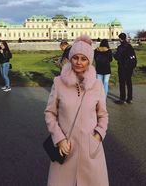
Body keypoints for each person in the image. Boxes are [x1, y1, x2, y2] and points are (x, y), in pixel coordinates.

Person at [45, 35, 109, 186]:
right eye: (75, 57)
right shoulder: (59, 82)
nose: (79, 62)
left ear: (89, 60)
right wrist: (59, 139)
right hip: (66, 148)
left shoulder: (97, 85)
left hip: (90, 149)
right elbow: (50, 113)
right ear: (70, 58)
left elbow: (103, 115)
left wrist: (99, 135)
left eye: (83, 58)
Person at [114, 33, 137, 104]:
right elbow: (133, 56)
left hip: (122, 67)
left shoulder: (120, 47)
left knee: (122, 83)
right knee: (129, 82)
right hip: (130, 66)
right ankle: (129, 98)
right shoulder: (129, 46)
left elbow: (117, 57)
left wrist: (114, 54)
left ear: (120, 39)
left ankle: (122, 99)